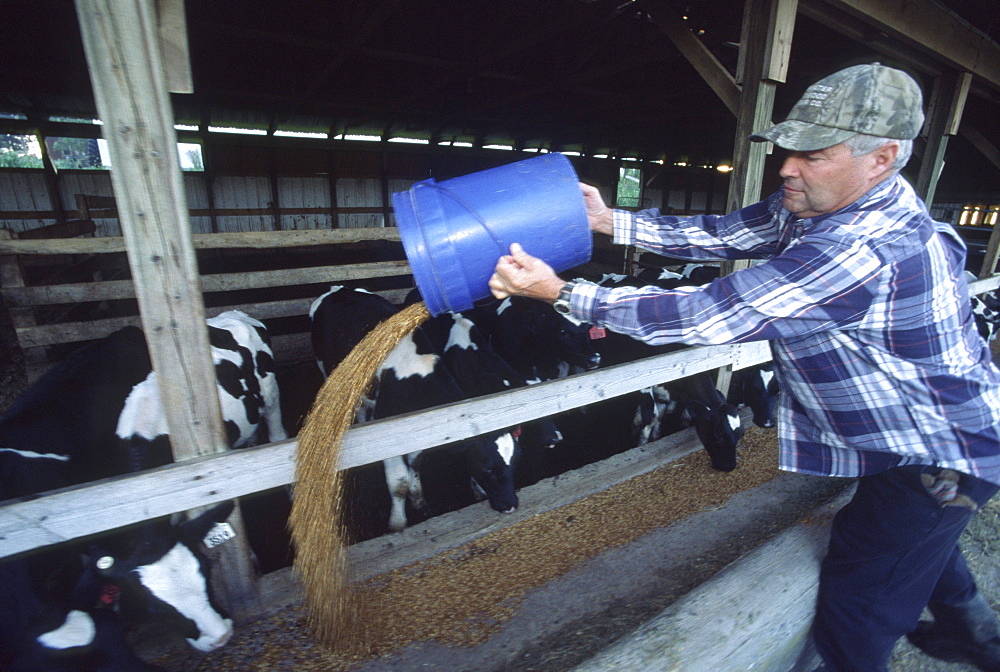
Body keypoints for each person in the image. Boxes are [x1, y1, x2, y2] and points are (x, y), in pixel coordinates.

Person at [489, 62, 1000, 672]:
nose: (788, 166)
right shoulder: (822, 201)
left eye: (815, 154)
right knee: (912, 539)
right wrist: (610, 220)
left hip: (939, 445)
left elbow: (707, 316)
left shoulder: (864, 245)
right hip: (912, 428)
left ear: (882, 158)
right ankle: (977, 638)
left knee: (860, 599)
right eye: (790, 149)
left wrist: (564, 294)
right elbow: (723, 232)